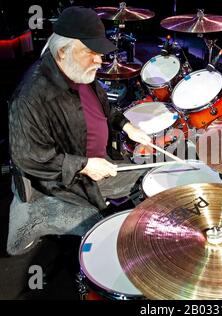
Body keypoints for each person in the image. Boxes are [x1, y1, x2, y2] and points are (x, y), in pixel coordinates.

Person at [7, 6, 151, 255]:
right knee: (105, 232)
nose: (100, 60)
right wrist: (83, 165)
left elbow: (107, 109)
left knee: (149, 176)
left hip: (96, 161)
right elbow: (28, 157)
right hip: (62, 180)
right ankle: (32, 213)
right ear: (63, 52)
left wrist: (127, 126)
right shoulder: (31, 95)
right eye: (92, 53)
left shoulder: (80, 71)